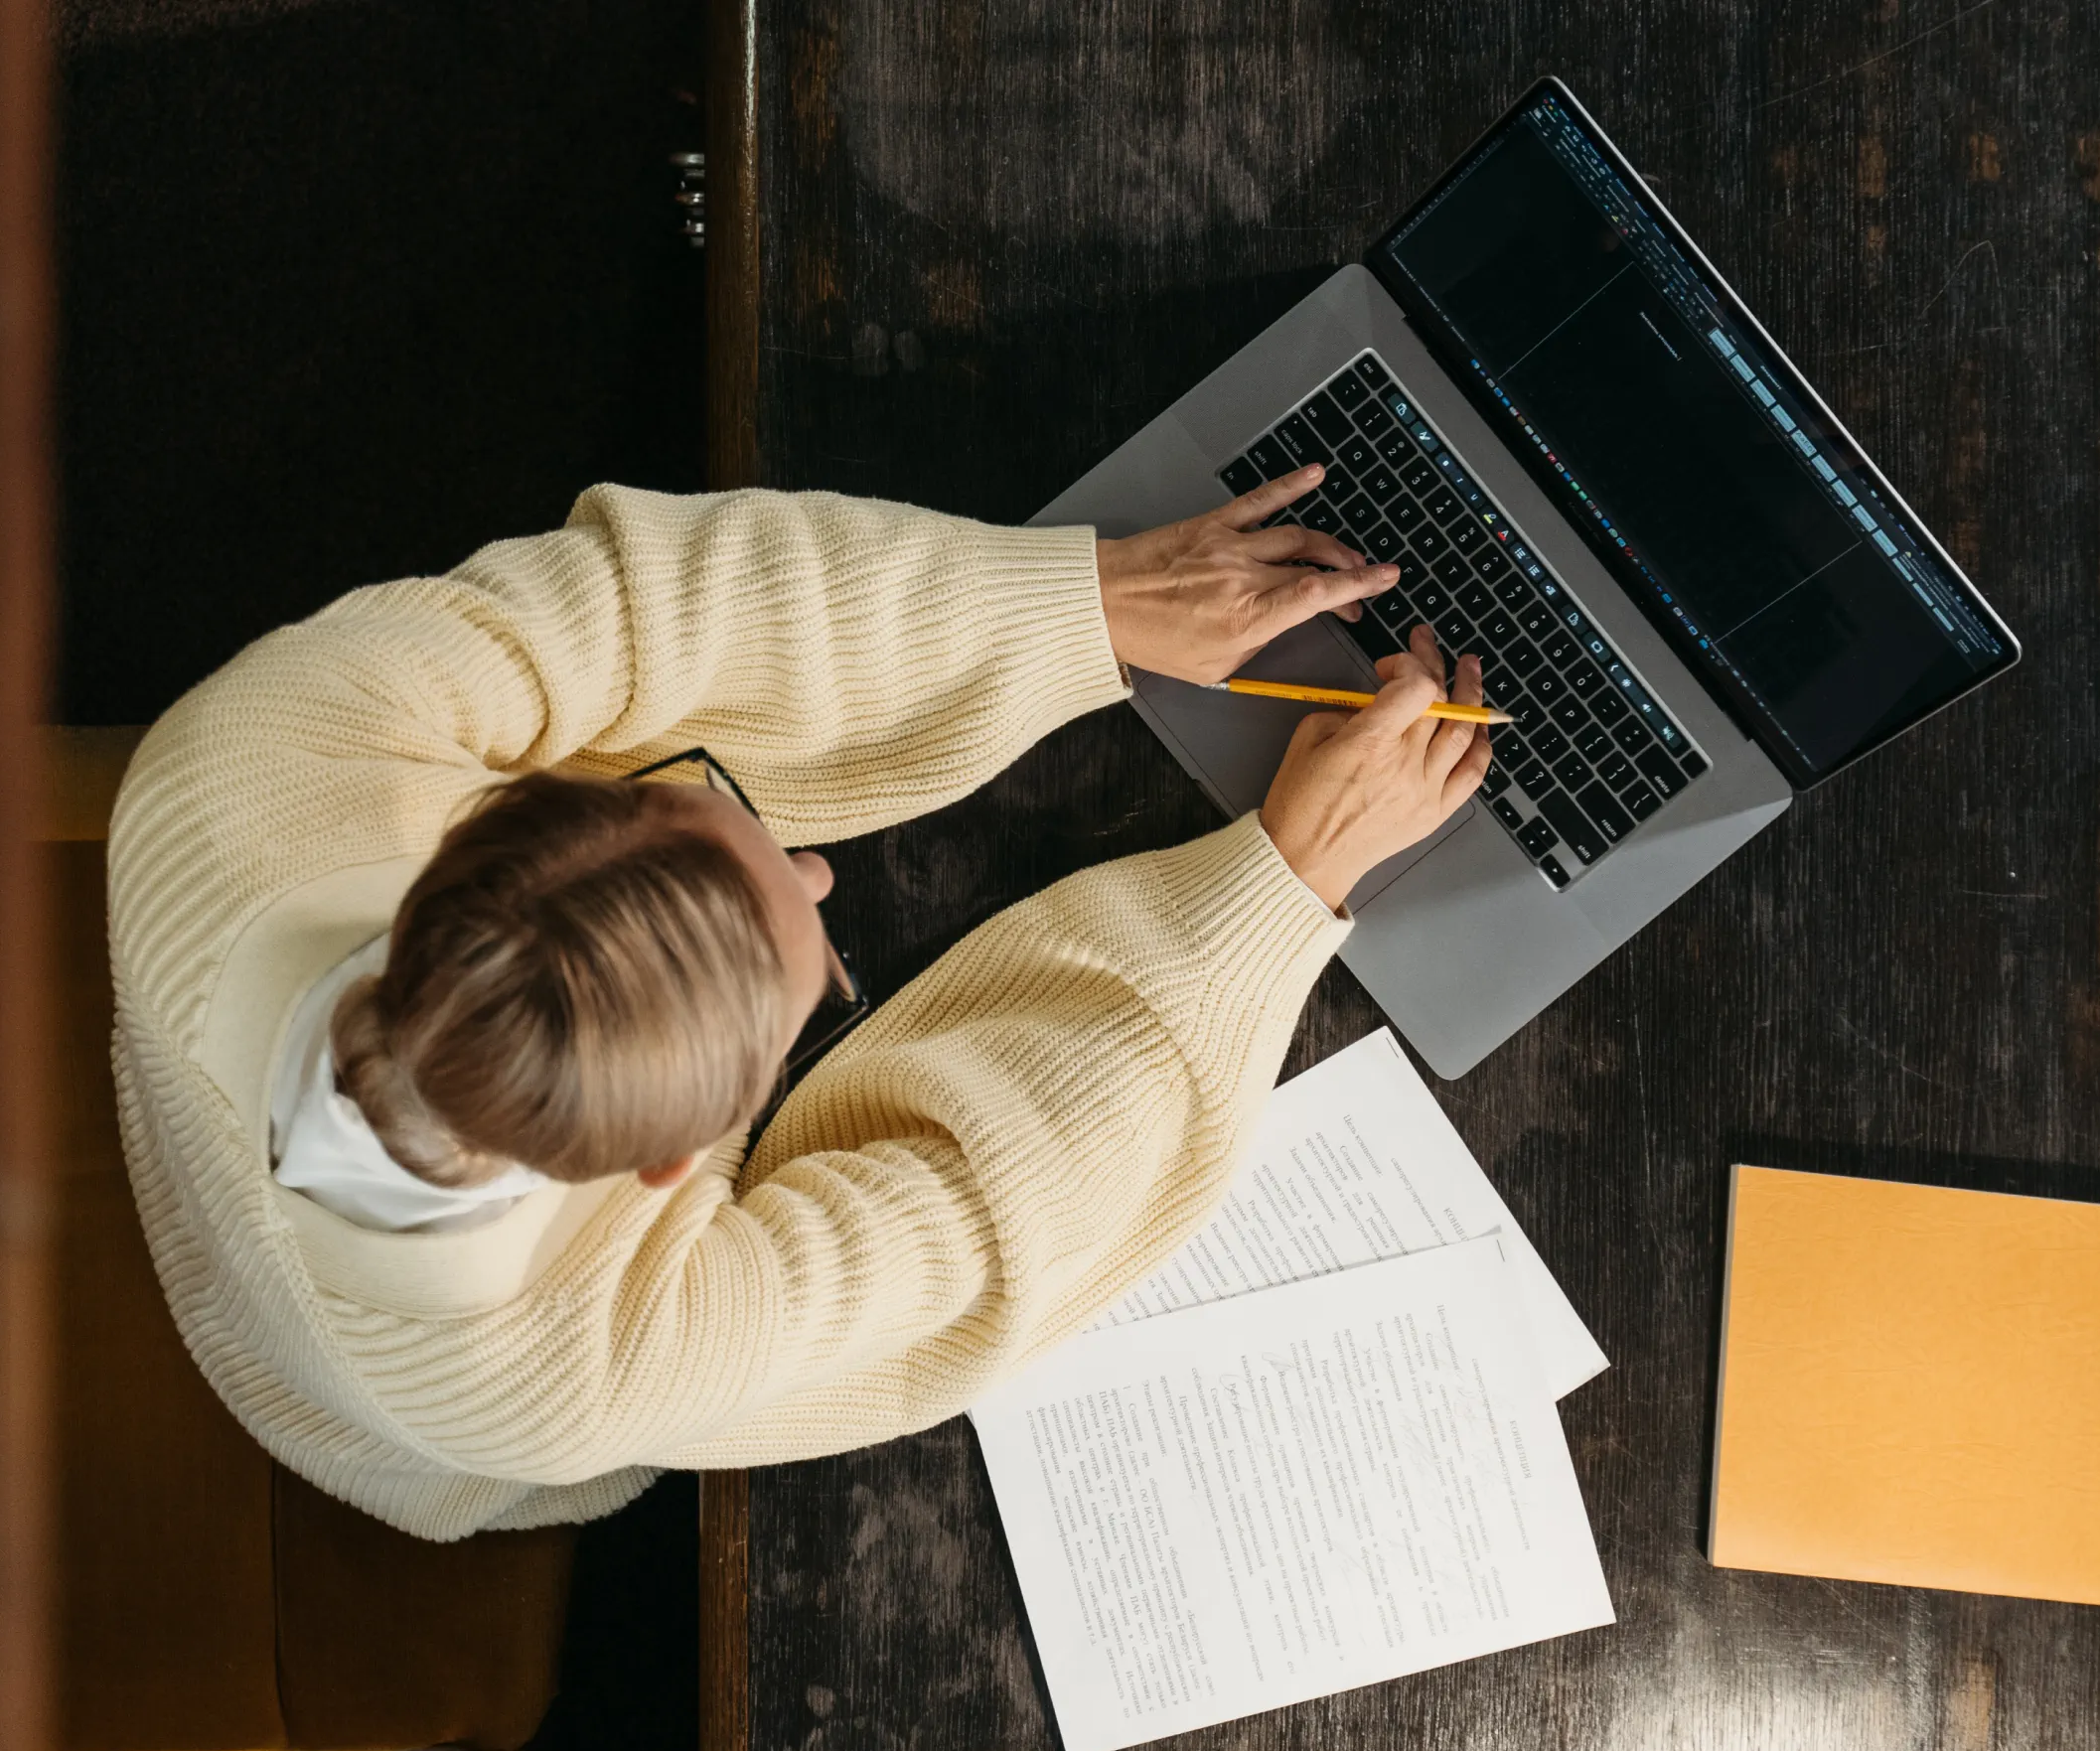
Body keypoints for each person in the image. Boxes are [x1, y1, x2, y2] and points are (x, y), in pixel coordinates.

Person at [107, 470, 1488, 1541]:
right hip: (365, 1407)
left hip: (201, 1106)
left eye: (714, 810)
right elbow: (981, 1220)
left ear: (517, 815)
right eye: (818, 971)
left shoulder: (250, 760)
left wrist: (1084, 603)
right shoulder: (560, 1372)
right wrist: (1290, 876)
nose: (819, 869)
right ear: (674, 1165)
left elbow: (653, 605)